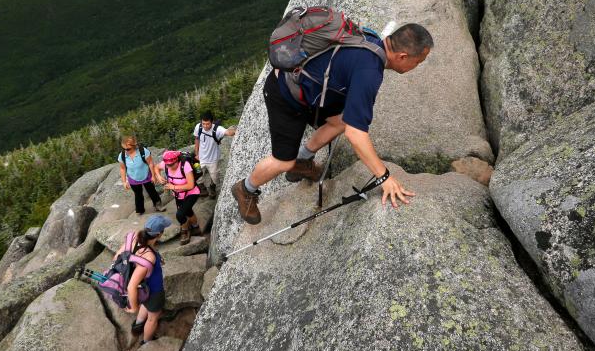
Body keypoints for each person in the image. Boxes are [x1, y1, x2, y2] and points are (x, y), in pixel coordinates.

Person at [231, 23, 433, 225]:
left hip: (305, 86)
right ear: (403, 56)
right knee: (283, 161)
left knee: (342, 120)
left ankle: (302, 161)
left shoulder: (371, 39)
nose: (416, 67)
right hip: (285, 93)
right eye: (418, 62)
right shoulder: (370, 70)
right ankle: (245, 189)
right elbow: (356, 134)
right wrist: (384, 177)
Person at [125, 214, 172, 346]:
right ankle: (146, 342)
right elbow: (131, 287)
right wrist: (134, 307)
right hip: (154, 291)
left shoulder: (135, 238)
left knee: (146, 304)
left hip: (144, 288)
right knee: (153, 318)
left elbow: (118, 257)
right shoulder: (149, 257)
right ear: (159, 234)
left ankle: (137, 326)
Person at [160, 150, 202, 244]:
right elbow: (155, 167)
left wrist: (173, 187)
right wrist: (158, 177)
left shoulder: (185, 166)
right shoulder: (166, 164)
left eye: (171, 165)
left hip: (192, 193)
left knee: (180, 214)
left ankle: (185, 230)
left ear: (177, 161)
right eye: (168, 165)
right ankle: (196, 227)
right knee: (188, 210)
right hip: (178, 195)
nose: (169, 167)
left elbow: (191, 185)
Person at [118, 136, 166, 215]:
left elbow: (150, 163)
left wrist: (153, 176)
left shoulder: (143, 151)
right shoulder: (122, 155)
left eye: (128, 149)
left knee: (152, 191)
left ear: (134, 146)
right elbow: (122, 168)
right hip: (133, 177)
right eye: (124, 149)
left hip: (146, 175)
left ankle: (158, 205)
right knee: (138, 194)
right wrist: (124, 181)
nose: (126, 151)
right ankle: (140, 209)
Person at [193, 111, 236, 198]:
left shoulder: (217, 129)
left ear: (212, 122)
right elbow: (197, 139)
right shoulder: (199, 127)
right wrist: (196, 153)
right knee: (198, 174)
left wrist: (237, 129)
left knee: (215, 177)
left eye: (207, 124)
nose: (205, 126)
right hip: (201, 158)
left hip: (213, 159)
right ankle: (202, 188)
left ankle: (212, 187)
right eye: (203, 123)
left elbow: (228, 132)